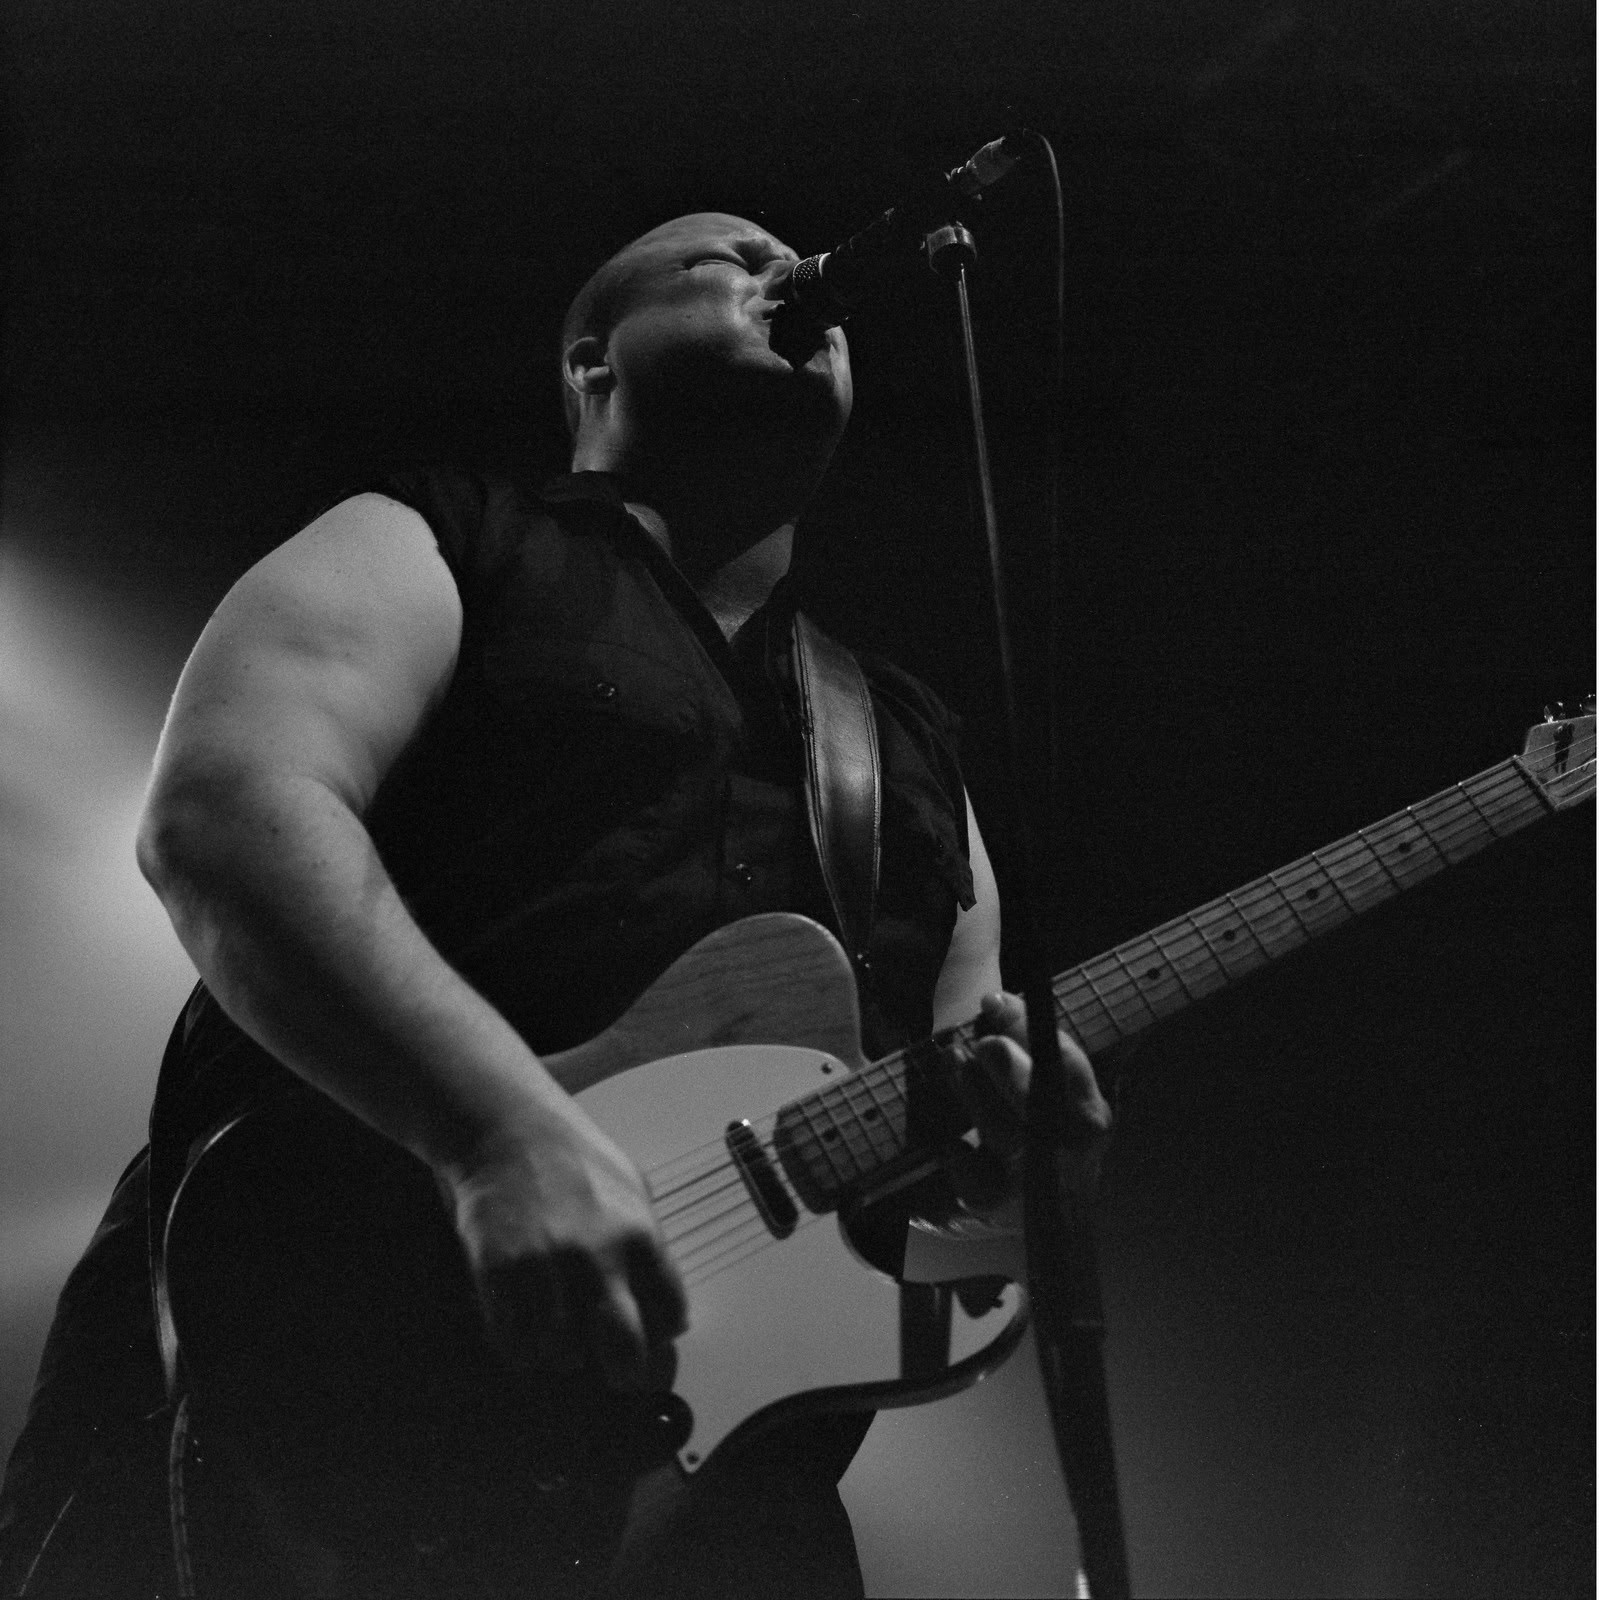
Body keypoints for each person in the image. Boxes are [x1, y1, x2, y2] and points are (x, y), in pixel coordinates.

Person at [0, 212, 1110, 1598]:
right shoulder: (440, 541)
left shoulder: (907, 745)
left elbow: (947, 1179)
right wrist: (494, 1136)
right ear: (593, 360)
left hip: (711, 1503)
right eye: (725, 260)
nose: (783, 270)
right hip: (308, 1386)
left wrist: (1018, 1166)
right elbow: (224, 818)